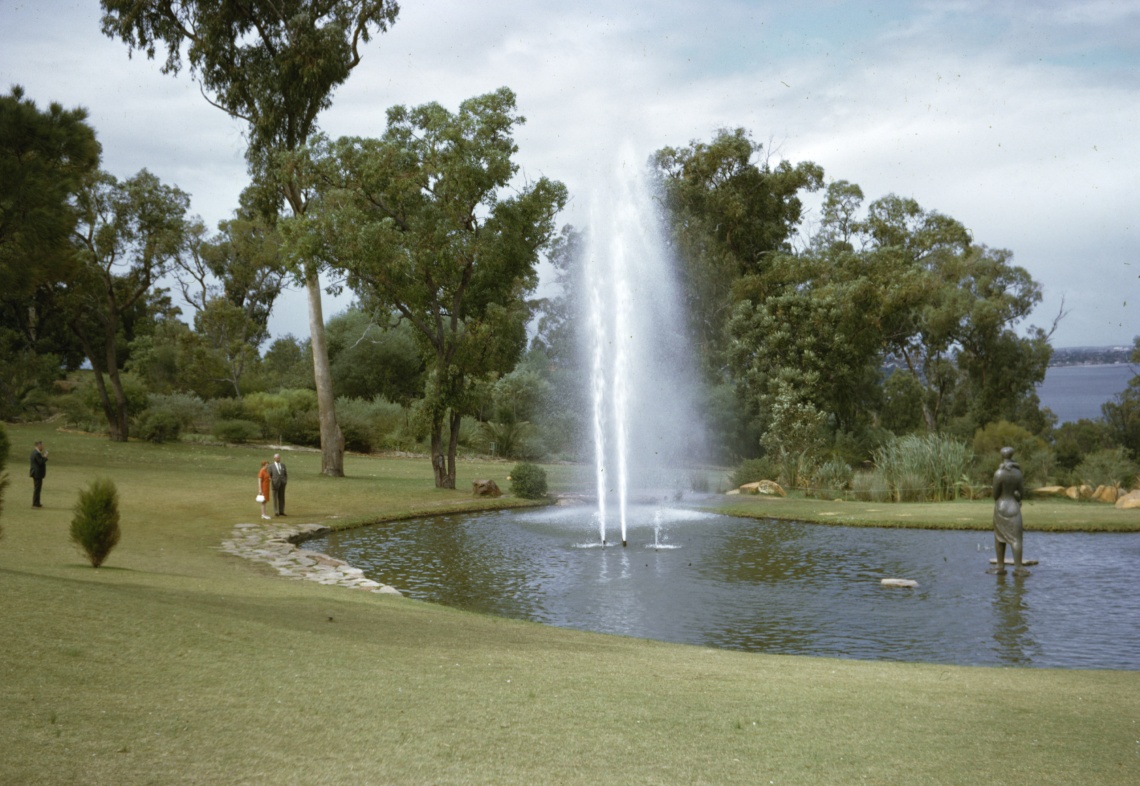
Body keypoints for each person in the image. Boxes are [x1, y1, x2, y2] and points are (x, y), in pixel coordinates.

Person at [989, 446, 1029, 576]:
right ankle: (1018, 567)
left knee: (999, 538)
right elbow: (1021, 493)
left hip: (1001, 507)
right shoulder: (1018, 473)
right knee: (1017, 539)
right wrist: (1016, 495)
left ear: (1002, 456)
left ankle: (1000, 566)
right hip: (1014, 508)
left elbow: (995, 494)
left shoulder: (999, 473)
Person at [29, 440, 48, 508]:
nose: (43, 447)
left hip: (36, 473)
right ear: (38, 446)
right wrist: (45, 457)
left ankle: (37, 503)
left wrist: (42, 457)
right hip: (37, 474)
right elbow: (40, 462)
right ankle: (35, 504)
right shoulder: (36, 453)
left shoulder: (35, 453)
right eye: (42, 445)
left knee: (38, 488)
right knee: (37, 489)